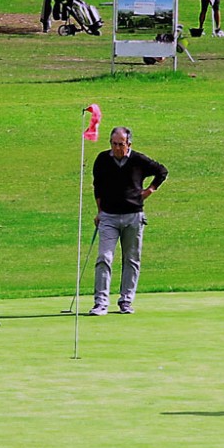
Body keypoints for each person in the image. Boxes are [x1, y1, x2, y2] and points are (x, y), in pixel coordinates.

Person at [90, 127, 168, 316]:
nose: (116, 148)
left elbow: (162, 171)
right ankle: (101, 303)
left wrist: (149, 191)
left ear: (129, 144)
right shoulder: (102, 159)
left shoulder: (138, 160)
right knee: (104, 258)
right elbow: (98, 187)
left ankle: (126, 300)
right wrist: (99, 212)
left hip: (133, 215)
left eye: (121, 144)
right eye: (114, 144)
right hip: (108, 216)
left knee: (131, 260)